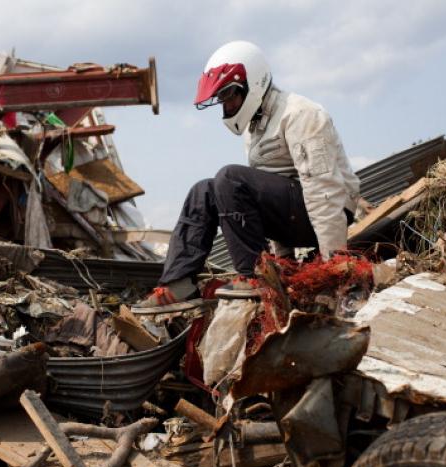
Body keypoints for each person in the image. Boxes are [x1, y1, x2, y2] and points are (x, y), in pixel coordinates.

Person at [133, 40, 360, 313]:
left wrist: (332, 260)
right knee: (203, 191)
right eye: (222, 99)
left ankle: (253, 276)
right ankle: (178, 283)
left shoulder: (300, 114)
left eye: (229, 95)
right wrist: (284, 259)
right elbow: (267, 196)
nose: (226, 105)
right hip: (296, 214)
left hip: (327, 215)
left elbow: (324, 190)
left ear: (252, 83)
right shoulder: (255, 128)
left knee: (229, 178)